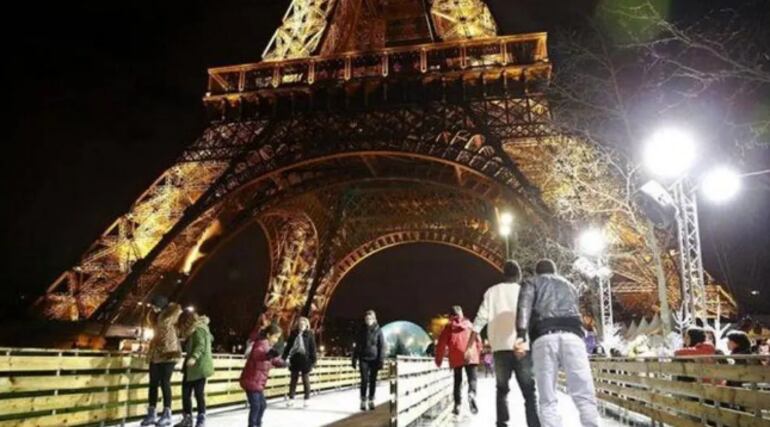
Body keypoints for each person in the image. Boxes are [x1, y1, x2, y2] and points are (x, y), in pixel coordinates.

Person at [516, 259, 599, 427]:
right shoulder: (570, 286)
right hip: (573, 338)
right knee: (584, 394)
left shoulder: (531, 282)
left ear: (537, 272)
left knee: (547, 399)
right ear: (554, 271)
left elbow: (524, 306)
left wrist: (521, 334)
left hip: (544, 337)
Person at [466, 260, 540, 427]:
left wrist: (470, 344)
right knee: (529, 392)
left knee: (501, 390)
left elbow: (479, 320)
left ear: (503, 274)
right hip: (522, 348)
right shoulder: (524, 291)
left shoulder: (491, 292)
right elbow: (534, 319)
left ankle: (502, 423)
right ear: (518, 275)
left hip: (499, 349)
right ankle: (534, 424)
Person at [141, 296, 183, 427]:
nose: (153, 308)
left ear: (161, 305)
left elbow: (167, 338)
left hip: (168, 355)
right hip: (156, 354)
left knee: (165, 382)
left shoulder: (168, 318)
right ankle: (152, 412)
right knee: (153, 383)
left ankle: (167, 414)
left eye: (155, 306)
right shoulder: (157, 318)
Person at [434, 305, 482, 415]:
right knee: (472, 379)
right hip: (470, 354)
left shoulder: (448, 327)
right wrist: (477, 354)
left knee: (458, 381)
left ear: (451, 315)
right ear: (461, 314)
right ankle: (471, 394)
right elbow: (478, 341)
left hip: (456, 356)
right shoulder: (470, 325)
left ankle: (457, 405)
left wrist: (438, 360)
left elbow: (441, 345)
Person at [240, 324, 286, 427]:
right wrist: (267, 355)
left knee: (262, 405)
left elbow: (274, 359)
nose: (276, 340)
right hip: (251, 380)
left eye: (278, 338)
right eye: (275, 337)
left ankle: (258, 424)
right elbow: (258, 354)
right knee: (256, 406)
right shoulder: (261, 343)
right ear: (269, 335)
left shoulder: (268, 346)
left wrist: (283, 363)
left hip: (258, 382)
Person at [174, 310, 214, 427]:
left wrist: (194, 357)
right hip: (190, 368)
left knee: (198, 394)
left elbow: (201, 345)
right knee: (185, 393)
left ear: (187, 321)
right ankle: (187, 418)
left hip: (198, 367)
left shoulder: (199, 329)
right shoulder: (194, 330)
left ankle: (201, 418)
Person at [352, 309, 385, 411]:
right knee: (364, 380)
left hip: (374, 359)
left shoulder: (378, 330)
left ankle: (371, 400)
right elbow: (357, 345)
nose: (368, 320)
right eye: (366, 318)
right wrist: (354, 359)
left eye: (370, 318)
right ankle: (363, 401)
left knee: (372, 381)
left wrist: (381, 360)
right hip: (363, 358)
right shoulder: (361, 330)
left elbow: (382, 346)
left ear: (374, 319)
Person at [282, 316, 317, 408]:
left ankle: (306, 399)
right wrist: (283, 358)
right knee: (293, 380)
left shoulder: (310, 334)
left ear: (307, 325)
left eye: (303, 324)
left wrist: (313, 362)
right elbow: (288, 347)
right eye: (300, 324)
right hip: (295, 359)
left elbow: (312, 349)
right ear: (297, 325)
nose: (301, 325)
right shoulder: (293, 334)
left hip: (305, 360)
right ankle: (291, 399)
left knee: (305, 380)